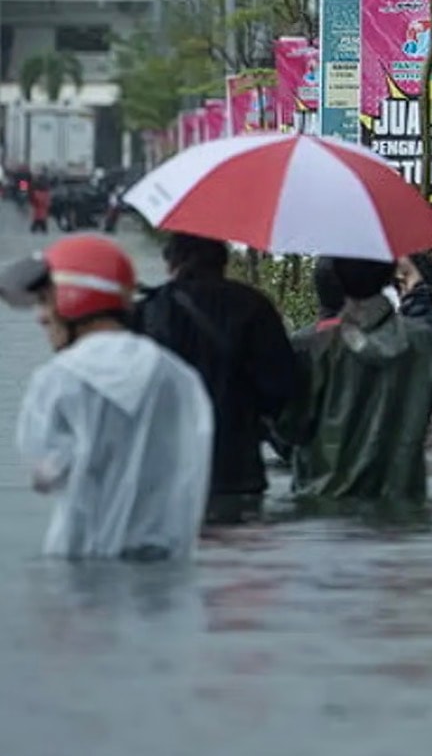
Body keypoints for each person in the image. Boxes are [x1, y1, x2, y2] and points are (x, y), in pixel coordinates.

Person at [1, 235, 213, 559]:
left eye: (45, 299)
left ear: (73, 295)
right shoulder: (177, 376)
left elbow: (46, 473)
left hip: (81, 566)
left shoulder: (56, 380)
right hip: (166, 567)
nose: (40, 316)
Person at [134, 233, 296, 519]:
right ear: (224, 261)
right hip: (236, 467)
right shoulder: (254, 306)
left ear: (172, 263)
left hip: (166, 467)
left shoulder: (148, 311)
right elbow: (281, 389)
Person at [279, 258, 432, 500]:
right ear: (390, 275)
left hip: (322, 506)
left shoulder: (310, 347)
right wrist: (417, 285)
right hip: (402, 505)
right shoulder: (423, 344)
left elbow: (289, 428)